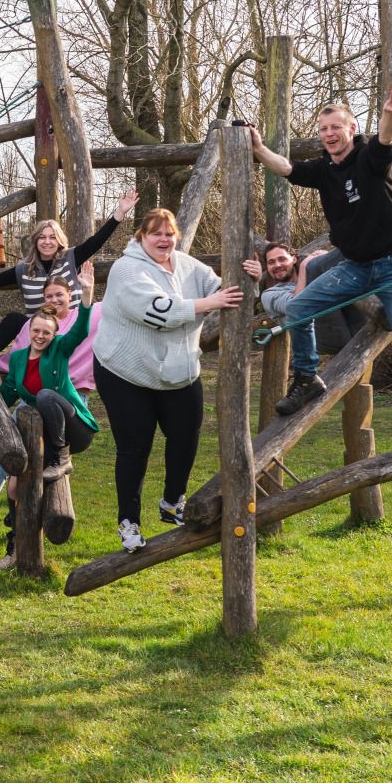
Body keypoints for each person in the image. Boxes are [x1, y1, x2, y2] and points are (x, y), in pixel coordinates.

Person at [248, 92, 392, 442]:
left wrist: (389, 113)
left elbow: (385, 139)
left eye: (336, 127)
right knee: (300, 307)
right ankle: (307, 378)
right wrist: (259, 149)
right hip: (355, 265)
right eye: (323, 129)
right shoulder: (323, 170)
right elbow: (287, 168)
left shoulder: (368, 158)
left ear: (352, 128)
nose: (329, 133)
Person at [94, 208, 241, 552]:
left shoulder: (186, 265)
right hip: (125, 371)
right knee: (135, 447)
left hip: (178, 371)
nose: (164, 240)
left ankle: (172, 501)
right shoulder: (126, 269)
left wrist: (249, 276)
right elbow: (161, 313)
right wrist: (212, 302)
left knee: (186, 435)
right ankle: (128, 523)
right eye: (155, 233)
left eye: (169, 234)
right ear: (140, 237)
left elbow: (223, 286)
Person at [0, 271, 99, 537]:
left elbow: (81, 330)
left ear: (54, 335)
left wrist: (87, 294)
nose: (40, 336)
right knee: (11, 457)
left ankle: (60, 459)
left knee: (46, 397)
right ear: (29, 331)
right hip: (34, 420)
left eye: (46, 332)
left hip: (70, 426)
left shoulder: (59, 349)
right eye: (35, 330)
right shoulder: (18, 359)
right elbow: (11, 393)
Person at [0, 186, 136, 360]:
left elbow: (96, 242)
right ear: (36, 241)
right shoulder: (24, 270)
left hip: (70, 330)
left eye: (52, 237)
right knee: (13, 319)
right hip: (40, 332)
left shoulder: (71, 258)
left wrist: (119, 214)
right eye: (42, 237)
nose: (47, 242)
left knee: (98, 314)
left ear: (59, 240)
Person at [243, 242, 366, 340]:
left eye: (282, 259)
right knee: (318, 266)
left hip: (355, 322)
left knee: (345, 254)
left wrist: (325, 259)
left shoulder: (309, 275)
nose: (277, 265)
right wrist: (305, 267)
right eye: (271, 262)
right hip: (320, 336)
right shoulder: (269, 295)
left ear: (294, 259)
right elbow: (298, 307)